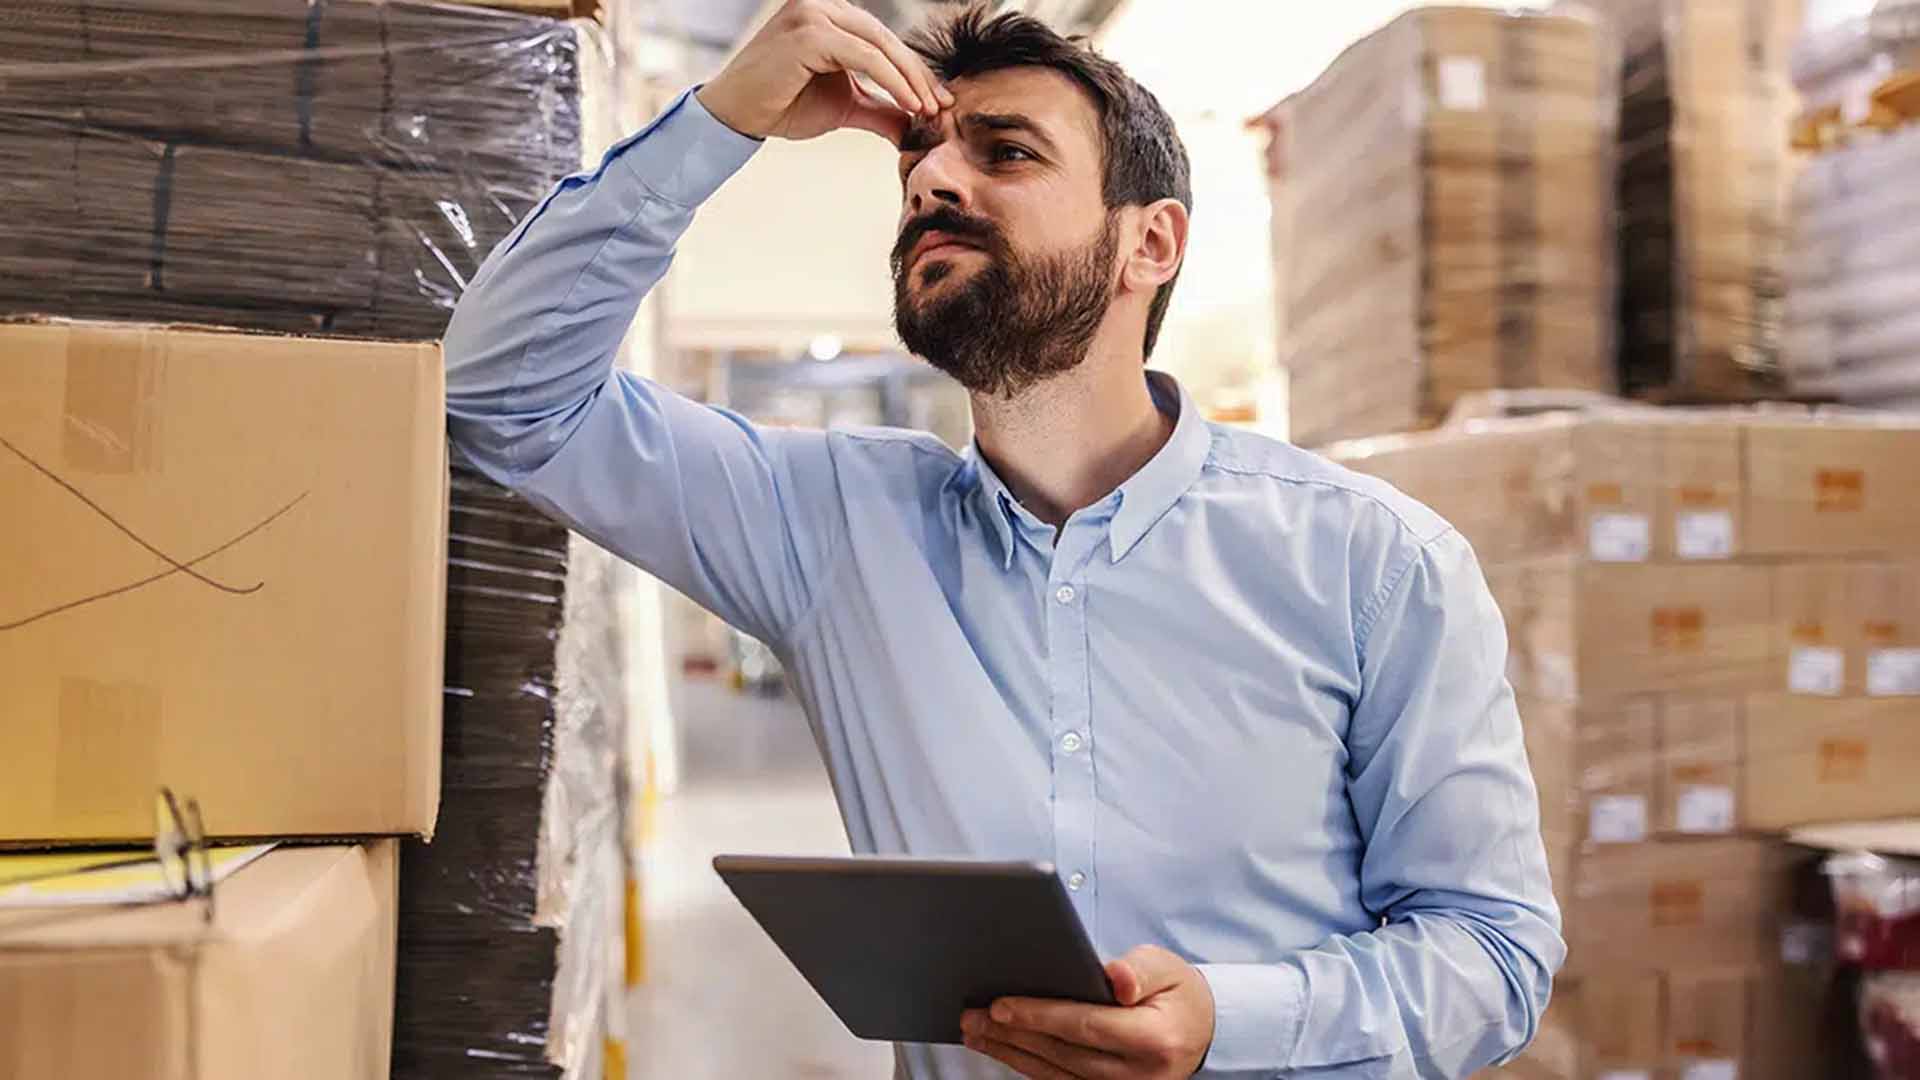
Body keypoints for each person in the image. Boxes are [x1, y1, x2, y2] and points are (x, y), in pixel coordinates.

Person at [443, 2, 1564, 1077]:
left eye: (1007, 153)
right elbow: (499, 395)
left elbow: (1495, 955)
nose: (932, 178)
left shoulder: (1375, 564)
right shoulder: (829, 526)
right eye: (920, 161)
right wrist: (720, 119)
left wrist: (1233, 1020)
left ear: (1150, 245)